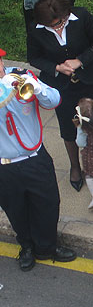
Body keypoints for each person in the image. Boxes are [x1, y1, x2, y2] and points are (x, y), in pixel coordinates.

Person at [0, 47, 76, 271]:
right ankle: (26, 246)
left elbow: (54, 100)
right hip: (5, 166)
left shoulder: (21, 76)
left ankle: (48, 246)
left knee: (48, 204)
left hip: (34, 158)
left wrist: (38, 88)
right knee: (15, 209)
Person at [27, 0, 93, 192]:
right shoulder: (36, 30)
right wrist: (56, 67)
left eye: (59, 23)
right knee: (67, 127)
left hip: (89, 82)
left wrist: (80, 61)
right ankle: (75, 167)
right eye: (50, 26)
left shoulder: (82, 17)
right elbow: (34, 58)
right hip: (60, 86)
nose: (56, 28)